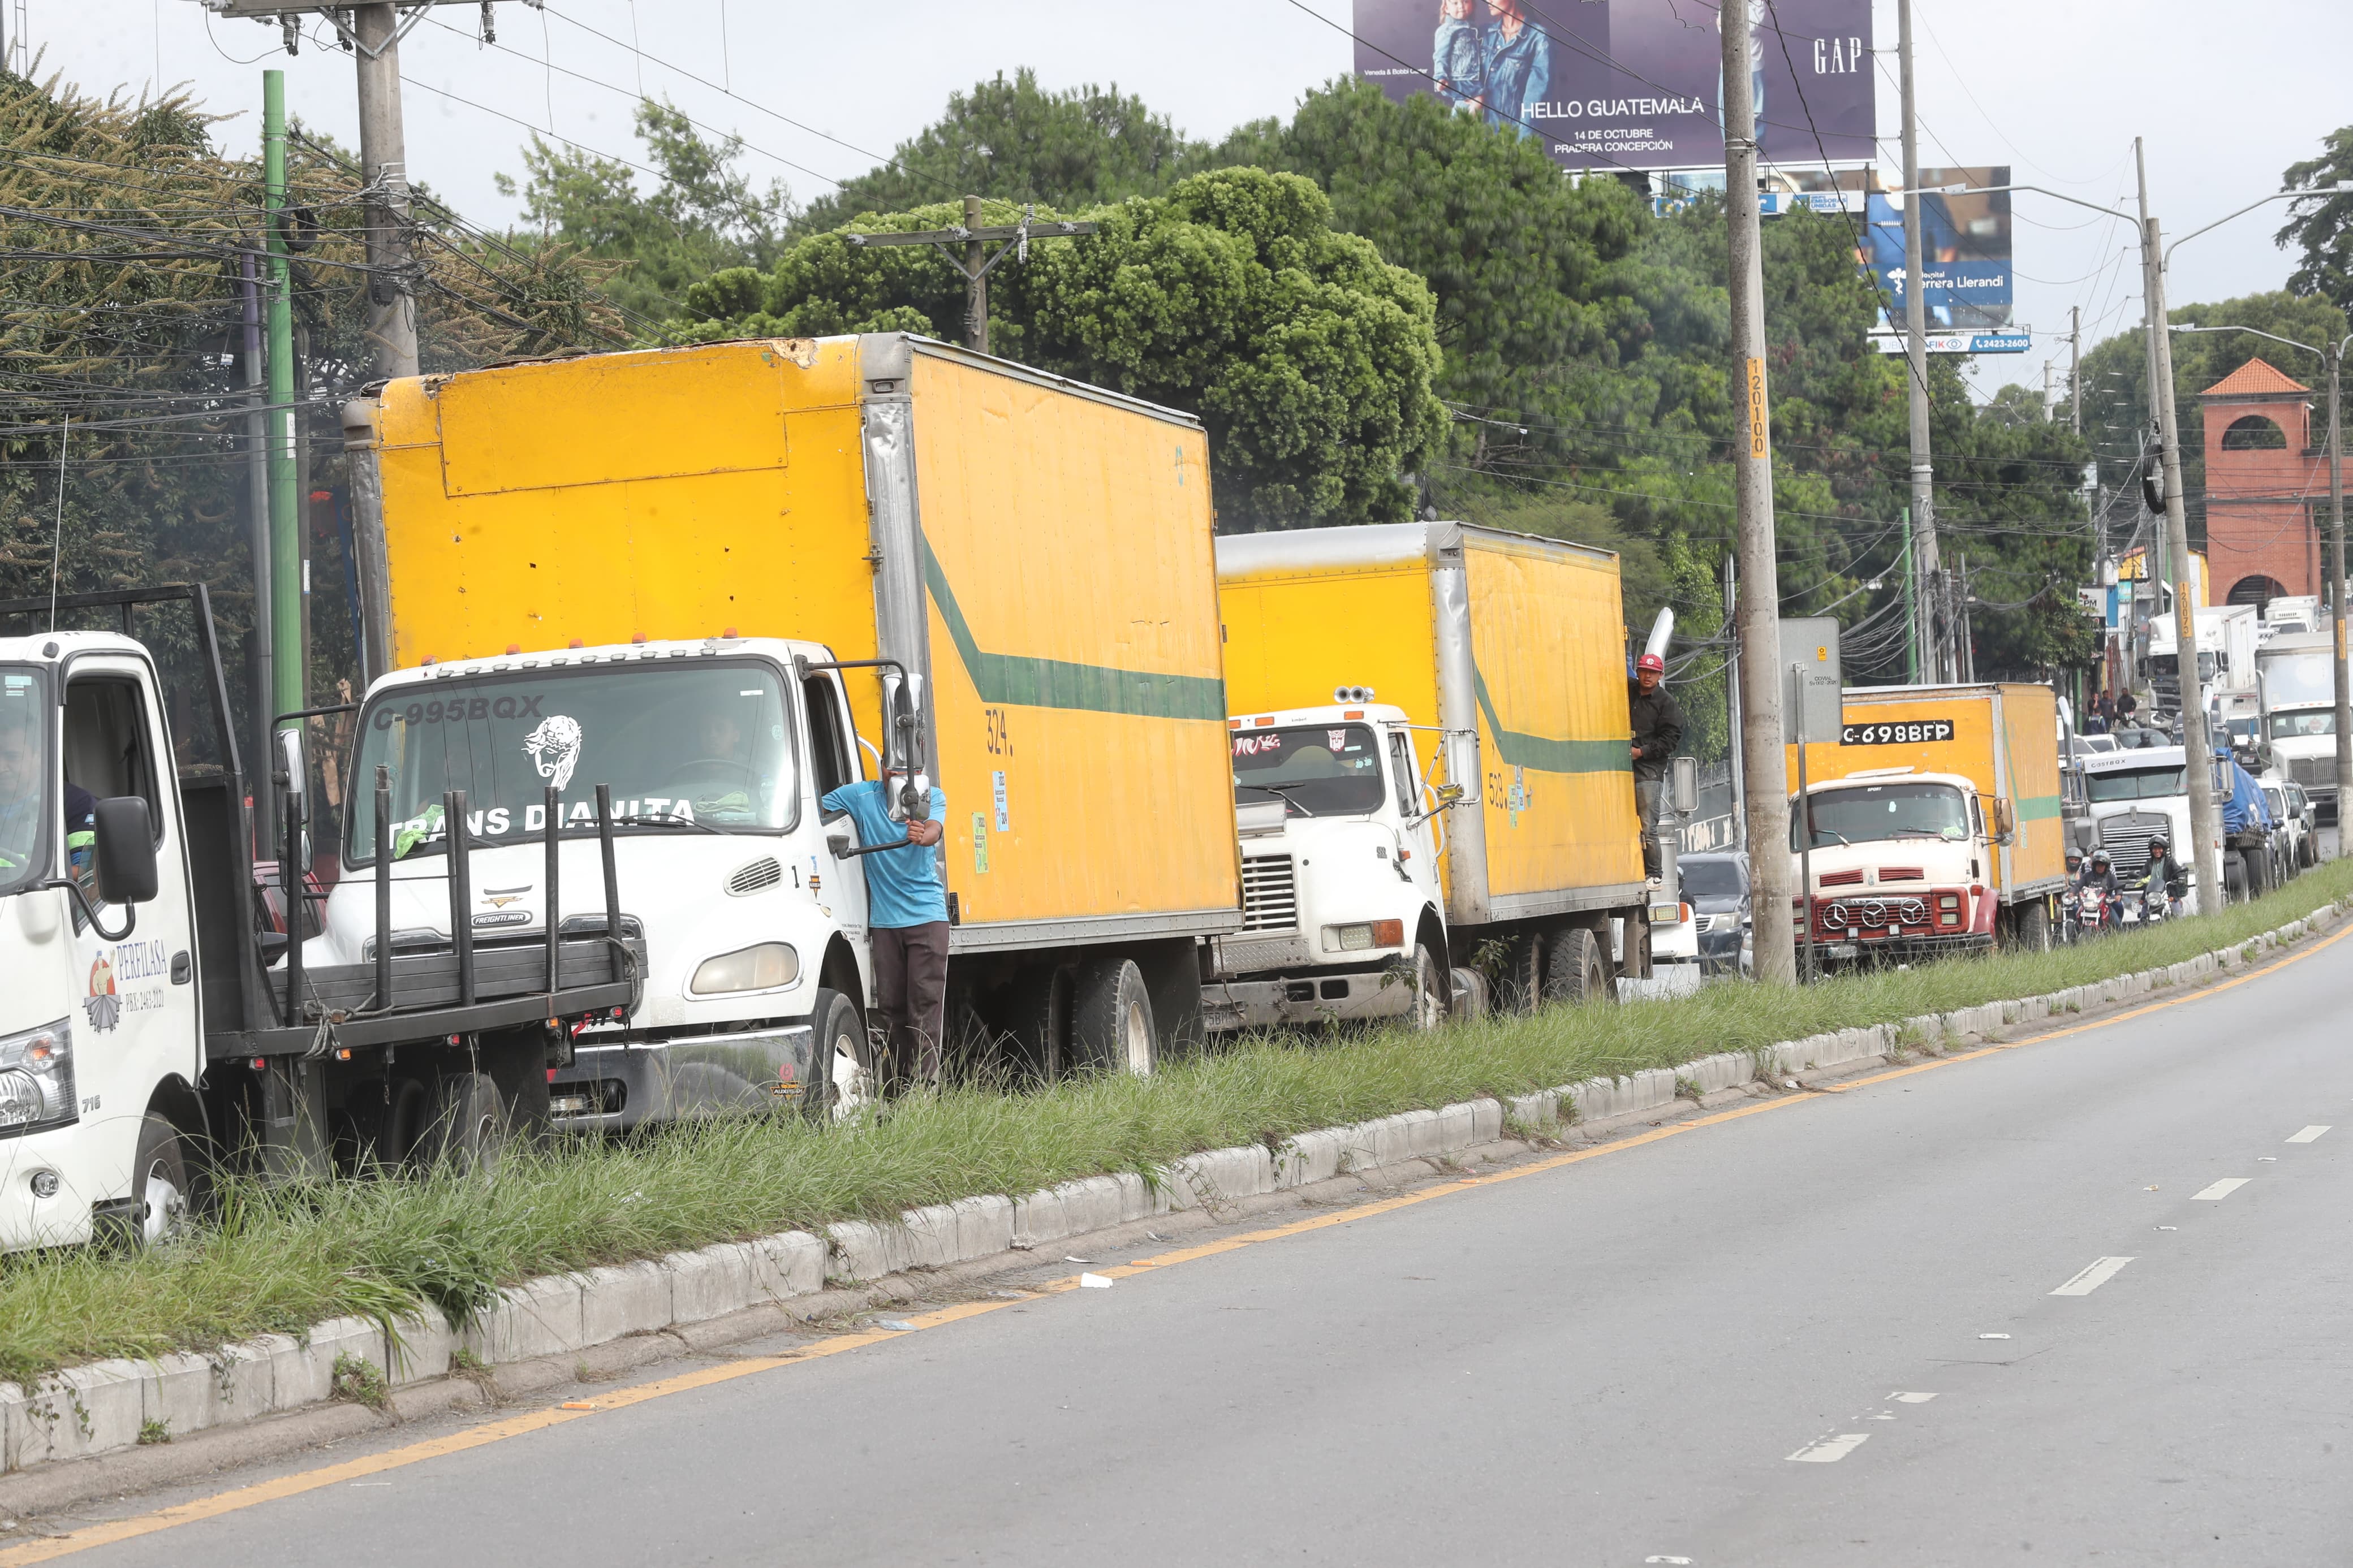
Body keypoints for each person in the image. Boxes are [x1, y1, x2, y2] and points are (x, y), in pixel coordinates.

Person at [820, 768, 949, 1090]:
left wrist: (924, 835)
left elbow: (935, 828)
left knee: (925, 1006)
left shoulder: (931, 795)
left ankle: (922, 1091)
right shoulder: (860, 796)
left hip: (927, 919)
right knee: (891, 1010)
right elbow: (816, 807)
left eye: (913, 767)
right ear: (883, 768)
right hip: (885, 923)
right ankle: (893, 1091)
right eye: (895, 766)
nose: (904, 773)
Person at [1627, 652, 1684, 883]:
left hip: (1649, 770)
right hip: (1622, 766)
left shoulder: (1667, 703)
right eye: (1643, 671)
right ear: (1638, 672)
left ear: (1661, 675)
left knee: (1648, 825)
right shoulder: (1628, 691)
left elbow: (1671, 739)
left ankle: (1655, 874)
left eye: (1652, 672)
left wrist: (1642, 752)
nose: (1647, 675)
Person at [1480, 0, 1548, 137]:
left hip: (1507, 140)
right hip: (1475, 137)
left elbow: (1534, 103)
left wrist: (1521, 149)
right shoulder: (1483, 33)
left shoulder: (1539, 39)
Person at [1431, 0, 1484, 111]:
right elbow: (1441, 56)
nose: (1461, 6)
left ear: (1472, 4)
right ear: (1446, 8)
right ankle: (1458, 127)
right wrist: (1441, 77)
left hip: (1475, 79)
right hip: (1461, 81)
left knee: (1471, 105)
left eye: (1465, 2)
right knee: (1474, 103)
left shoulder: (1474, 28)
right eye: (1455, 3)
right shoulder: (1447, 30)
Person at [2140, 832, 2187, 909]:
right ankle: (2143, 921)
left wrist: (2180, 877)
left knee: (2176, 910)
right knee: (2144, 909)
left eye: (2160, 848)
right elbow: (2142, 874)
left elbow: (2178, 871)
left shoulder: (2170, 862)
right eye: (2155, 849)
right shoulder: (2149, 863)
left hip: (2168, 893)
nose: (2157, 851)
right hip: (2152, 895)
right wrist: (2139, 879)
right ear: (2151, 850)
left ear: (2164, 849)